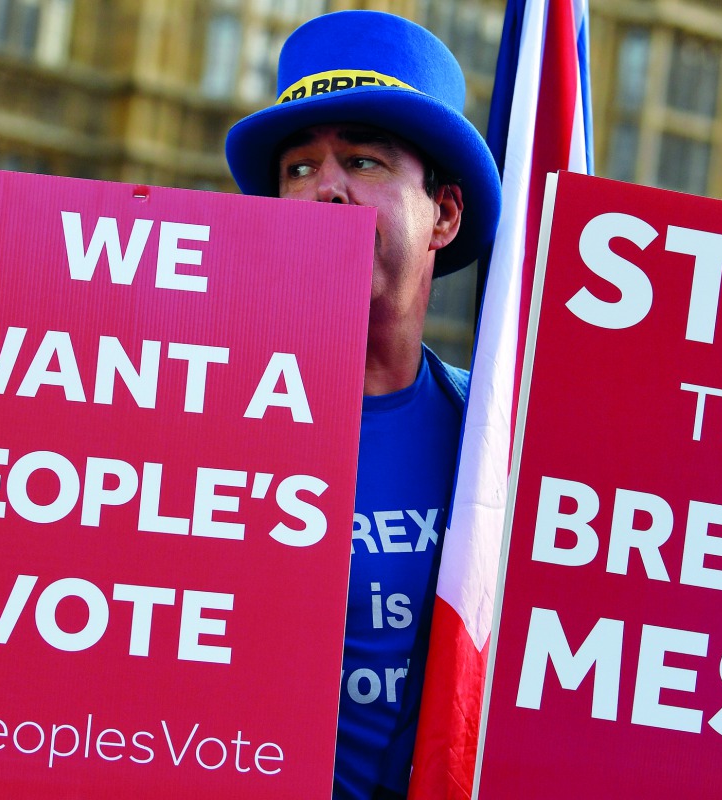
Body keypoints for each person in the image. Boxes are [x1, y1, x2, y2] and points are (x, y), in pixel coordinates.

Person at [224, 10, 501, 800]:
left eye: (364, 160)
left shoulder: (494, 444)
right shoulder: (189, 419)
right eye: (299, 169)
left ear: (443, 214)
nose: (326, 189)